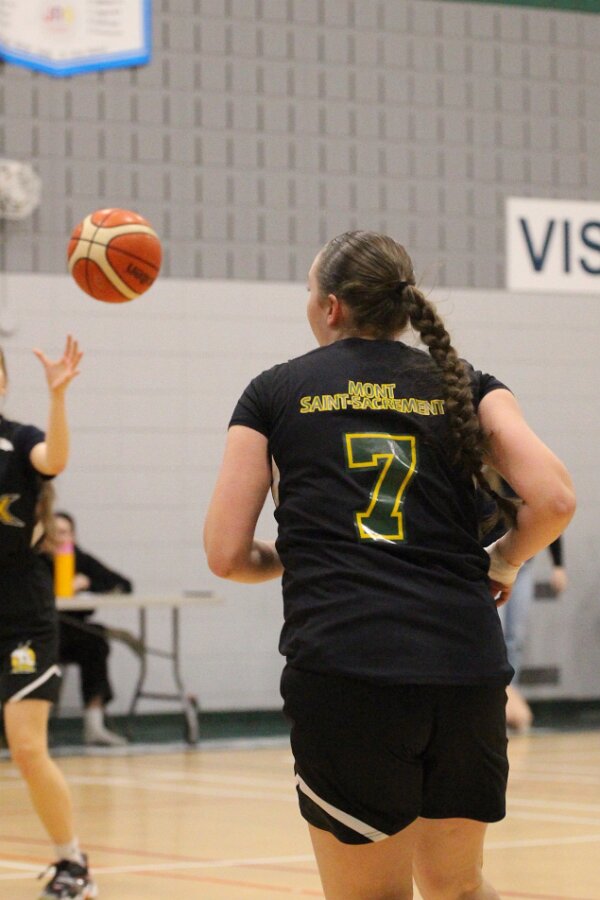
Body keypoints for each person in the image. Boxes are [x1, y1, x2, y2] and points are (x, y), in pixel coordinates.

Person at [204, 231, 575, 900]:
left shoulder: (273, 392)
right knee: (458, 887)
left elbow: (226, 554)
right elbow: (555, 500)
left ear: (332, 306)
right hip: (464, 669)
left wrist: (314, 550)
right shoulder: (470, 384)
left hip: (351, 671)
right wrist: (505, 562)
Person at [0, 337, 98, 899]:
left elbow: (54, 460)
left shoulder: (18, 441)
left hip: (20, 618)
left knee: (28, 748)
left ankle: (73, 863)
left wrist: (57, 397)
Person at [42, 511, 132, 747]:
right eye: (55, 533)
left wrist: (88, 583)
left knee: (96, 641)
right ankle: (36, 726)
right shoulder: (35, 562)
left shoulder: (79, 559)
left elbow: (123, 584)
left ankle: (94, 724)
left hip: (73, 631)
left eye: (65, 532)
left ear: (73, 536)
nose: (61, 538)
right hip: (43, 632)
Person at [500, 535, 567, 732]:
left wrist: (558, 565)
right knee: (496, 635)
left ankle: (507, 699)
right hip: (495, 561)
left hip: (523, 565)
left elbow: (552, 520)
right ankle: (495, 701)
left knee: (516, 638)